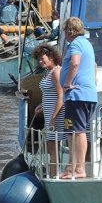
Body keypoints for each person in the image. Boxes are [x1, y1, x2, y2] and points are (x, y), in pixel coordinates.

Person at [59, 17, 97, 179]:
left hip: (77, 96)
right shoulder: (87, 43)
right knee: (71, 131)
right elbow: (94, 66)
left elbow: (75, 63)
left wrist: (67, 84)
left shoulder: (75, 44)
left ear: (69, 31)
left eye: (65, 31)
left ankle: (78, 169)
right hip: (85, 95)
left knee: (77, 131)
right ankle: (71, 167)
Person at [31, 44, 65, 174]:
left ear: (51, 57)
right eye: (38, 59)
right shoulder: (48, 72)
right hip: (49, 113)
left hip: (55, 115)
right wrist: (42, 104)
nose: (40, 62)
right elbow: (50, 94)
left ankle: (53, 175)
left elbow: (61, 95)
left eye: (42, 58)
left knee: (53, 146)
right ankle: (53, 173)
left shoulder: (56, 71)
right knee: (51, 146)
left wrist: (53, 118)